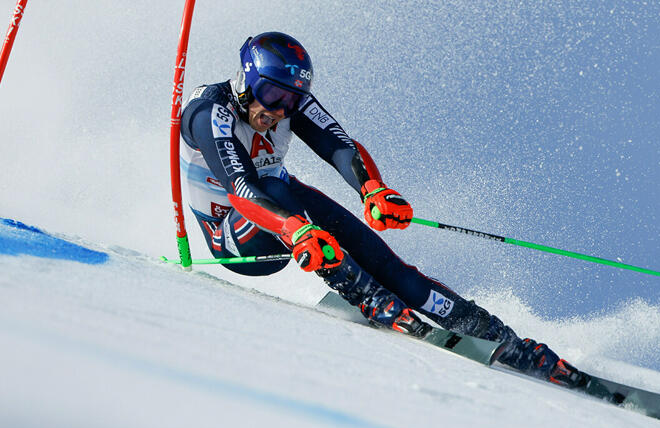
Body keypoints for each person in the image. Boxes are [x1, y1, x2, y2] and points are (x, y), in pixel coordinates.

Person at [179, 31, 587, 388]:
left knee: (385, 263)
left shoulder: (289, 105)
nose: (281, 110)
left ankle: (501, 339)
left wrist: (373, 190)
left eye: (291, 100)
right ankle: (369, 298)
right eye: (272, 95)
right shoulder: (208, 111)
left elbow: (340, 145)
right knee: (275, 188)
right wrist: (295, 230)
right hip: (234, 236)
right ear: (246, 81)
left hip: (287, 214)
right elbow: (242, 189)